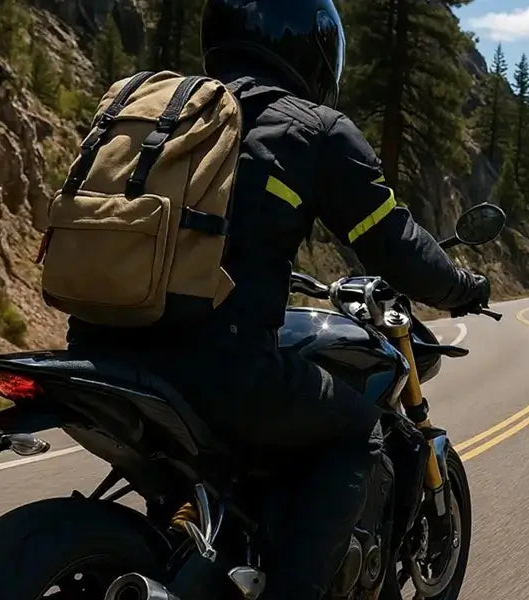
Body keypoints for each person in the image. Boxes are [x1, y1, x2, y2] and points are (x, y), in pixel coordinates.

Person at [65, 0, 491, 597]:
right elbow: (396, 246)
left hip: (95, 346)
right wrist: (465, 287)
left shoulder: (174, 117)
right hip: (216, 370)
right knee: (357, 432)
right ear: (313, 47)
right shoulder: (313, 130)